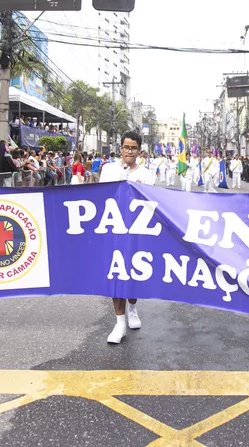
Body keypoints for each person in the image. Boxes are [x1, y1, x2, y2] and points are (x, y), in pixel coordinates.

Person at [99, 131, 156, 344]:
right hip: (114, 230)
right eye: (126, 147)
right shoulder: (108, 169)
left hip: (137, 231)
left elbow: (152, 203)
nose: (129, 151)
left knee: (134, 274)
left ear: (139, 150)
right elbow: (100, 196)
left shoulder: (147, 174)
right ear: (120, 148)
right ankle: (119, 322)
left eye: (133, 148)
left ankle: (132, 308)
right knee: (117, 275)